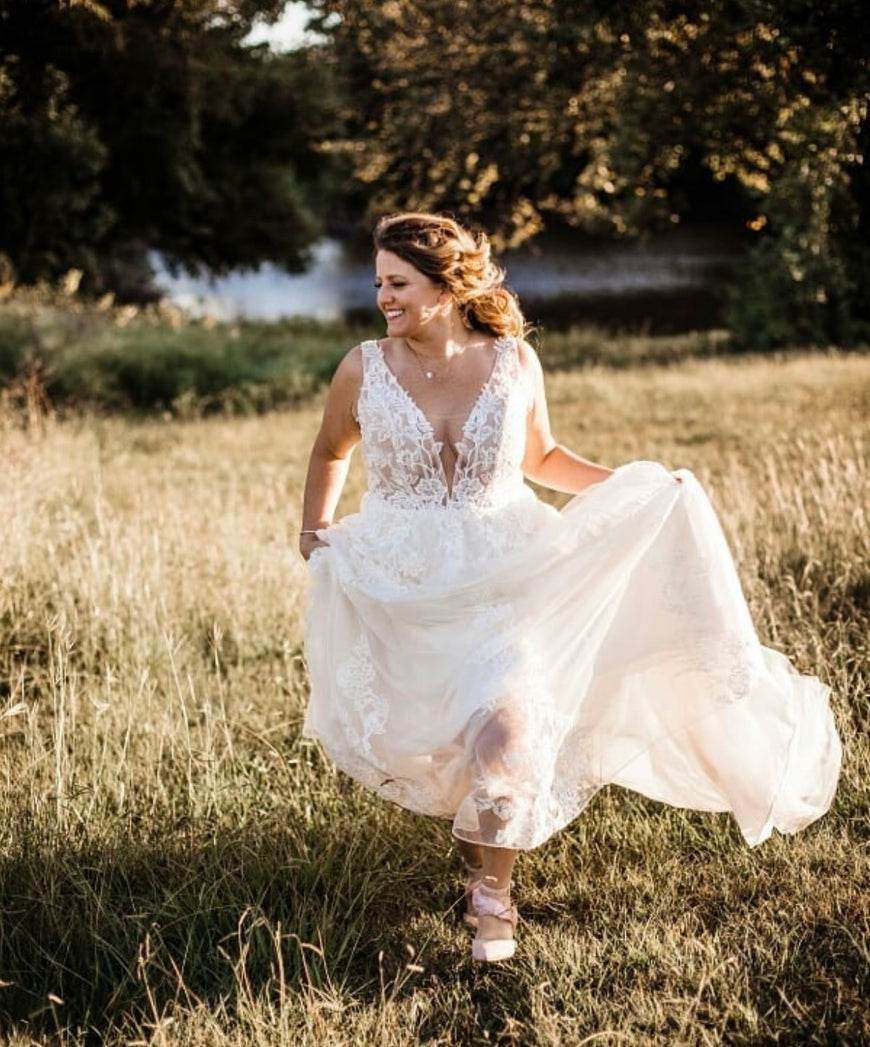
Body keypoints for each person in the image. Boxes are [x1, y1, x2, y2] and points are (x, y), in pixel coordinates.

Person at [298, 212, 842, 963]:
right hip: (404, 576)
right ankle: (481, 832)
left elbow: (544, 457)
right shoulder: (363, 366)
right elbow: (331, 449)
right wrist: (312, 529)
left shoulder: (514, 362)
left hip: (508, 570)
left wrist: (636, 487)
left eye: (398, 283)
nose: (383, 296)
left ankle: (491, 898)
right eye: (380, 282)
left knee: (509, 730)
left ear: (446, 284)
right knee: (438, 732)